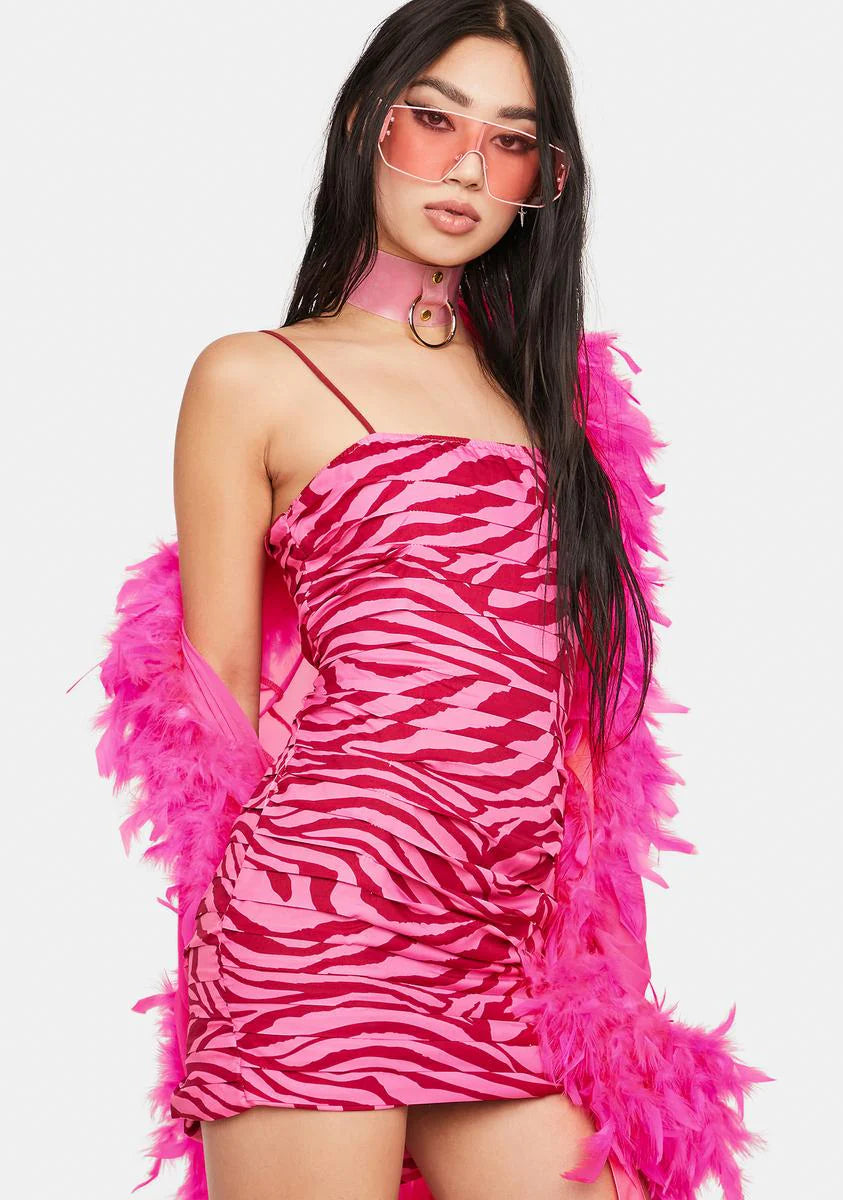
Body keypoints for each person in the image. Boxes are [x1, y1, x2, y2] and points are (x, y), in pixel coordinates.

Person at [92, 3, 770, 1198]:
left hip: (510, 952)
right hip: (324, 922)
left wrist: (607, 962)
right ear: (367, 123)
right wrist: (222, 977)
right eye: (435, 120)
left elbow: (581, 723)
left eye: (509, 141)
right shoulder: (254, 376)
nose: (465, 167)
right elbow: (215, 703)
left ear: (545, 180)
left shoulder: (556, 401)